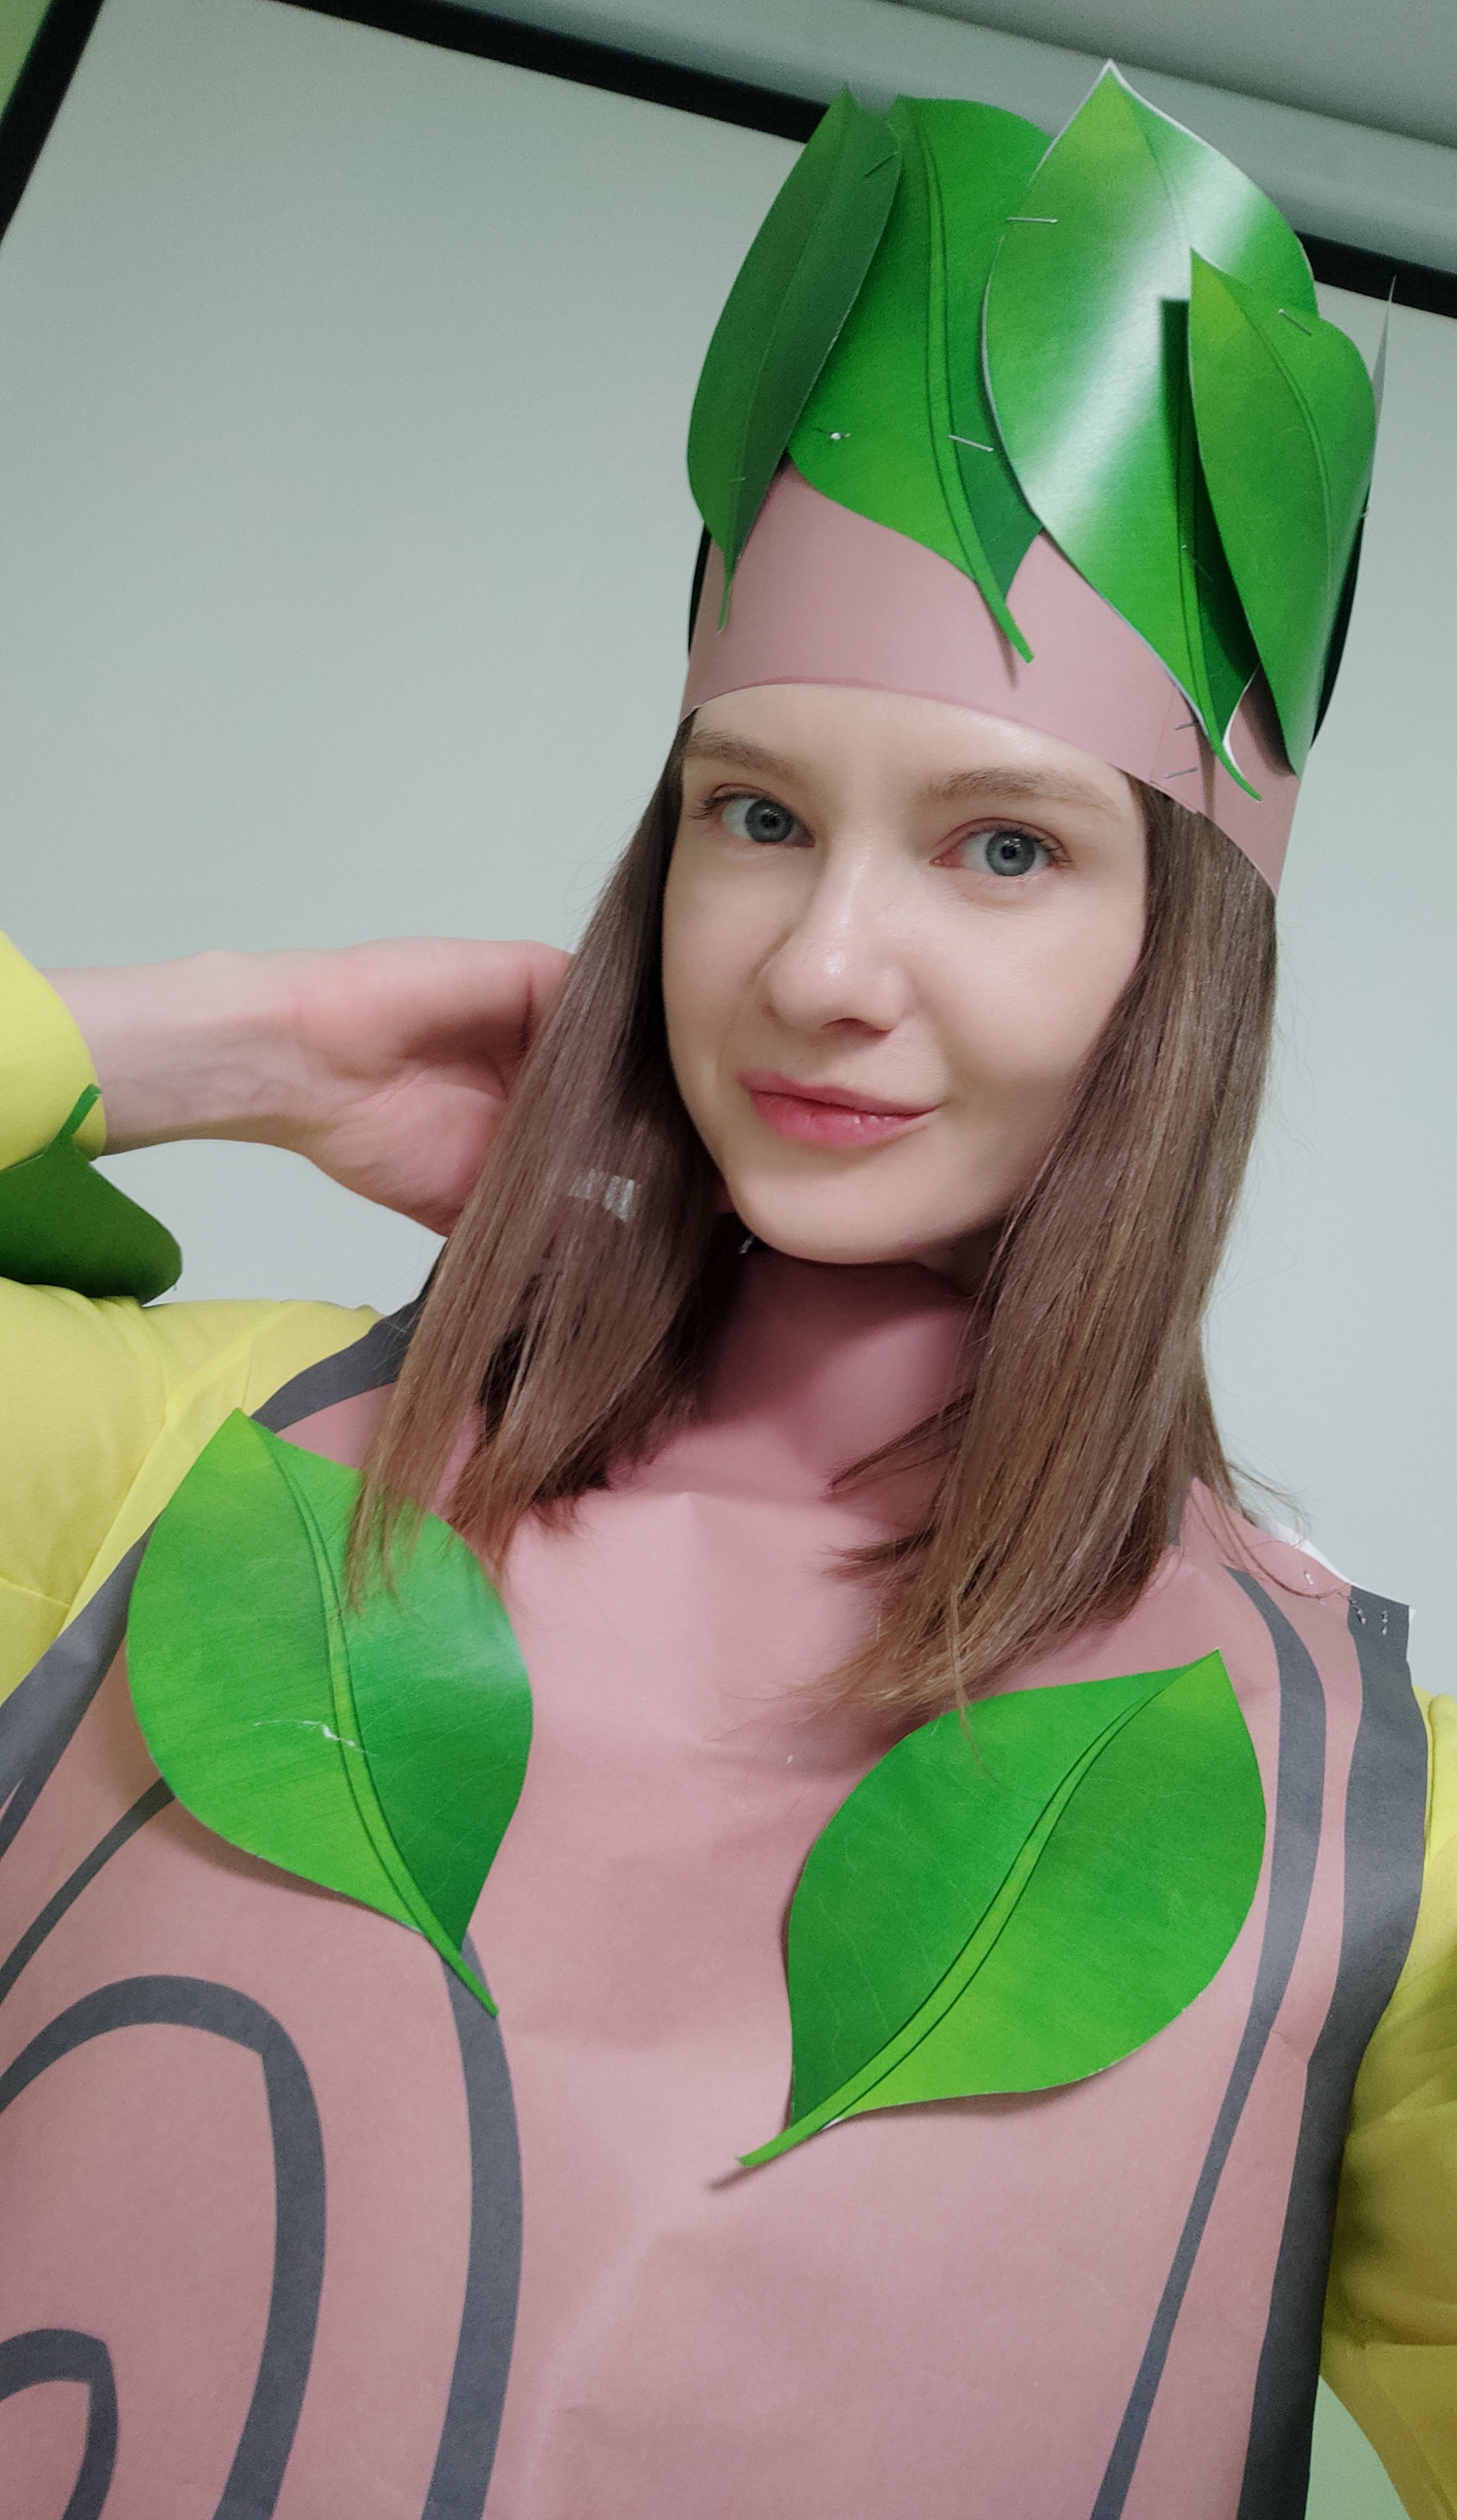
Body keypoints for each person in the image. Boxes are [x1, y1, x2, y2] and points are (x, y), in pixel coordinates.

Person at [0, 67, 1451, 2520]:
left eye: (1004, 849)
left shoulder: (1374, 1838)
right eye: (755, 816)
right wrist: (223, 1044)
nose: (824, 965)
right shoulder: (197, 1467)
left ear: (1183, 969)